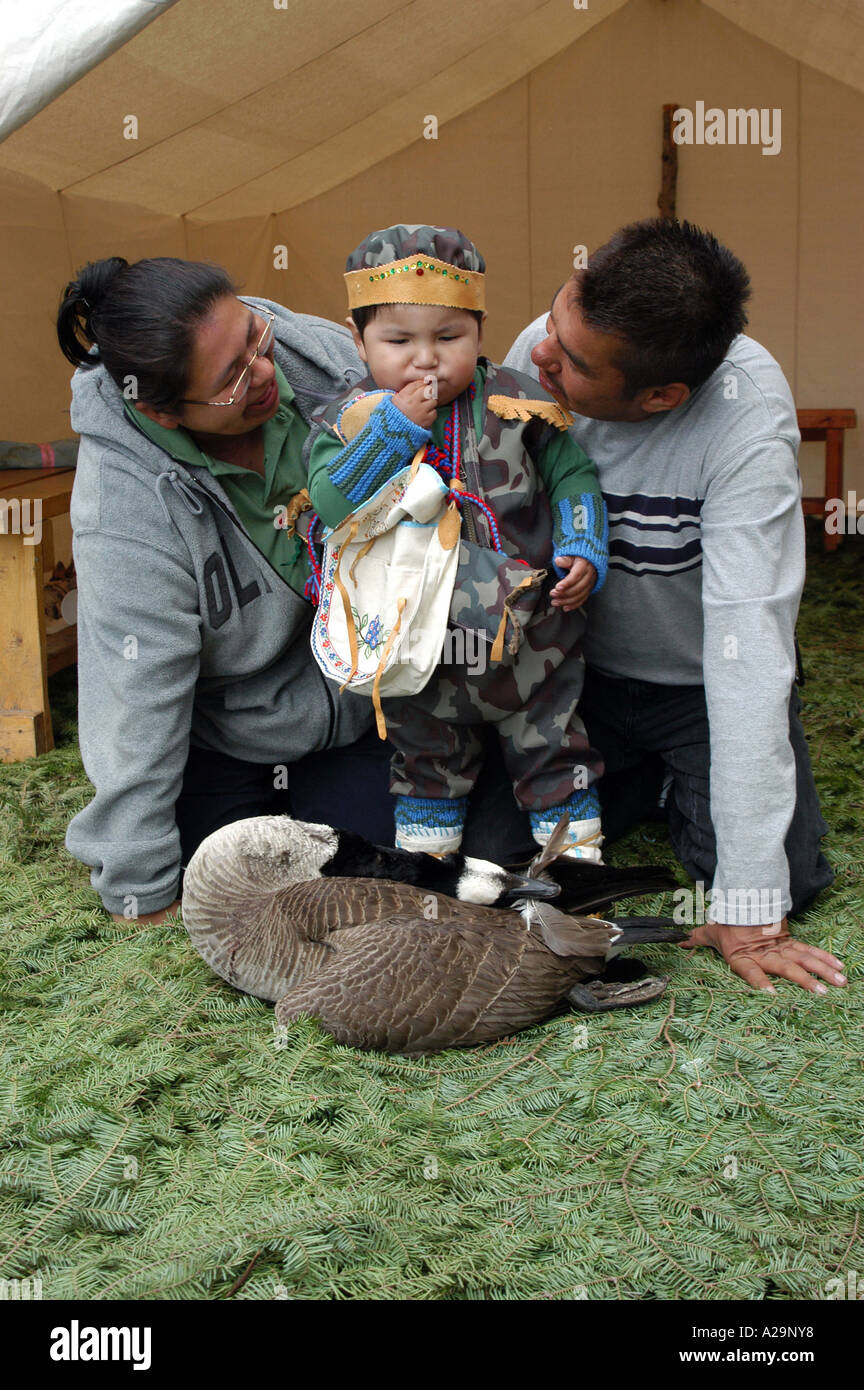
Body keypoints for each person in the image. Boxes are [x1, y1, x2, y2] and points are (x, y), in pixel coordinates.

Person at [56, 256, 521, 926]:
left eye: (255, 339)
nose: (265, 373)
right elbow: (135, 688)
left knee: (431, 872)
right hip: (246, 730)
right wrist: (141, 885)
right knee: (242, 892)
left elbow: (472, 427)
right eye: (231, 380)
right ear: (160, 413)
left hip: (379, 700)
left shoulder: (320, 359)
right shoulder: (123, 504)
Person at [504, 217, 844, 997]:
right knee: (499, 857)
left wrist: (752, 906)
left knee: (779, 874)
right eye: (557, 317)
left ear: (662, 396)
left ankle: (665, 778)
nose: (541, 355)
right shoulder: (541, 350)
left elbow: (749, 644)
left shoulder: (747, 423)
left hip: (696, 685)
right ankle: (651, 783)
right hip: (571, 676)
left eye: (575, 362)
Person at [305, 224, 608, 860]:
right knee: (426, 763)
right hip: (418, 644)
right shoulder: (347, 420)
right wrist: (390, 433)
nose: (425, 359)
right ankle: (429, 876)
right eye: (398, 340)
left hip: (530, 636)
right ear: (357, 340)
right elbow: (333, 506)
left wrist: (584, 543)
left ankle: (579, 877)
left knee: (554, 746)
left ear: (479, 328)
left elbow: (572, 474)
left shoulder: (519, 403)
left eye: (449, 337)